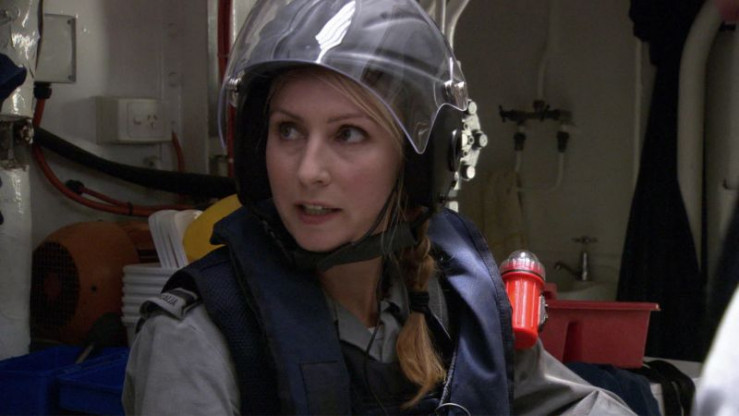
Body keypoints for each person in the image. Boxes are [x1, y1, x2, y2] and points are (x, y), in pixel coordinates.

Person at [123, 1, 635, 414]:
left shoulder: (457, 301)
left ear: (415, 164)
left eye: (348, 134)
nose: (308, 171)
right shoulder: (198, 336)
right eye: (289, 130)